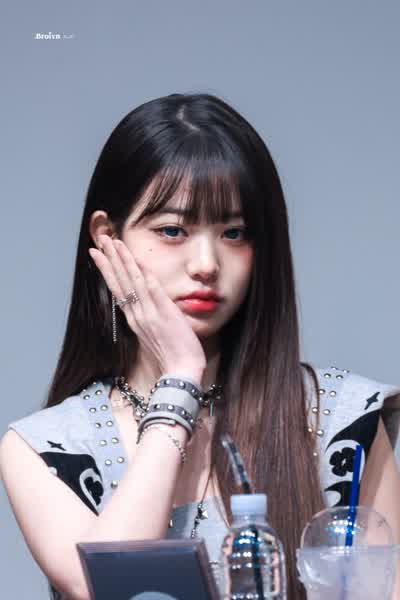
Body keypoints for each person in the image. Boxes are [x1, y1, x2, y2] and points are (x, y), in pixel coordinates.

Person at [1, 92, 400, 600]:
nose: (207, 264)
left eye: (235, 233)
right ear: (106, 237)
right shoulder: (48, 447)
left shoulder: (342, 419)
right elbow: (110, 587)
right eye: (173, 230)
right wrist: (180, 380)